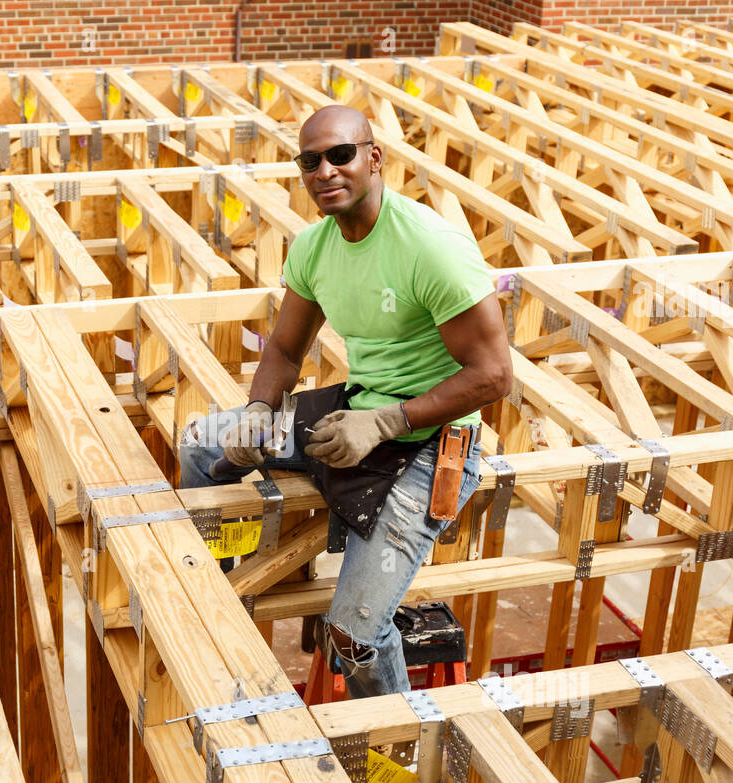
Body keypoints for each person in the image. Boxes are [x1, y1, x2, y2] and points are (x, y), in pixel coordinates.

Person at [179, 105, 511, 699]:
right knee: (201, 445)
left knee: (353, 638)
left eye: (340, 155)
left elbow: (493, 376)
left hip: (431, 444)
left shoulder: (430, 247)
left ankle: (389, 760)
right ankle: (218, 596)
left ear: (374, 158)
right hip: (353, 413)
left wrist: (386, 421)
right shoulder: (314, 247)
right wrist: (259, 411)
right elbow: (284, 347)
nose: (325, 171)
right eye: (310, 162)